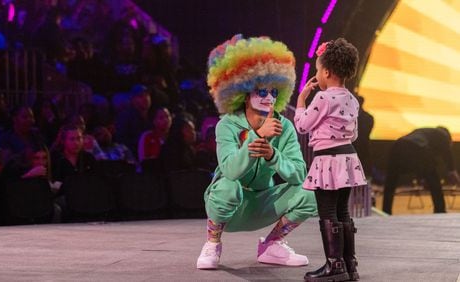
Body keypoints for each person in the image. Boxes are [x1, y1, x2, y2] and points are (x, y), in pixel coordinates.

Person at [196, 34, 317, 270]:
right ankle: (212, 243)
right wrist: (258, 136)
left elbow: (299, 175)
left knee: (311, 193)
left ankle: (272, 245)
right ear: (243, 92)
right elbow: (230, 170)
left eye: (274, 92)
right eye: (262, 92)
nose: (269, 98)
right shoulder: (227, 125)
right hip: (228, 205)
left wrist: (273, 156)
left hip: (262, 203)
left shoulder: (285, 127)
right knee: (227, 186)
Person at [294, 38, 365, 282]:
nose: (316, 74)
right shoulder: (352, 100)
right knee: (342, 210)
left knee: (327, 212)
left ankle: (334, 266)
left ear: (326, 71)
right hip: (348, 158)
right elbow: (353, 133)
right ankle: (349, 264)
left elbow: (302, 125)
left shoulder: (323, 99)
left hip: (328, 160)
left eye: (317, 69)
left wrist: (301, 100)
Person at [382, 127, 460, 215]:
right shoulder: (442, 135)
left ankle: (386, 211)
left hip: (396, 147)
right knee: (434, 181)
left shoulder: (425, 133)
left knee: (390, 183)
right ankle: (440, 210)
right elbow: (449, 160)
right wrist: (453, 174)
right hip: (416, 149)